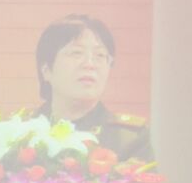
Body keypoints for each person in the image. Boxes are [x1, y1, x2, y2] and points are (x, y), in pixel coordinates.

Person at [33, 13, 151, 161]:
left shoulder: (129, 138)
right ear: (46, 70)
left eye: (100, 55)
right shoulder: (17, 134)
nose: (90, 64)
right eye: (76, 53)